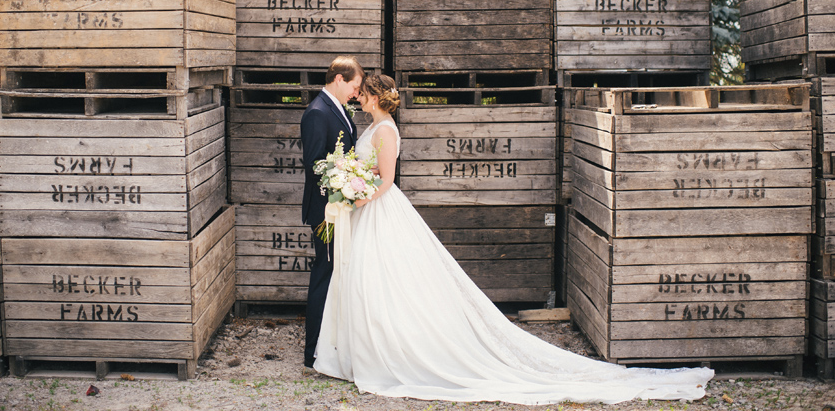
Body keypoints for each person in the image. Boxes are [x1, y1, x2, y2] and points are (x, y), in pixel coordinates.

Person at [311, 73, 714, 405]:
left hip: (379, 210)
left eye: (363, 94)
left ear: (377, 96)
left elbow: (387, 181)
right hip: (368, 214)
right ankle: (363, 349)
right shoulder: (374, 126)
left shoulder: (385, 131)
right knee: (371, 284)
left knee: (389, 283)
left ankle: (391, 352)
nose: (358, 98)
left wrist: (359, 195)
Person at [300, 55, 365, 369]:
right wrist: (342, 183)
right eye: (354, 86)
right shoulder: (316, 113)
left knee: (337, 273)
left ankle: (332, 343)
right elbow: (314, 165)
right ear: (339, 79)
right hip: (327, 211)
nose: (356, 93)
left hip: (340, 206)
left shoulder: (339, 109)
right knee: (324, 274)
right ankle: (312, 352)